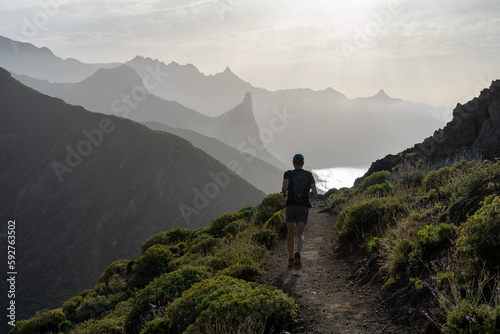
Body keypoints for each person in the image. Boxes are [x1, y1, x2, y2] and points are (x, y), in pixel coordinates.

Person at [282, 153, 317, 268]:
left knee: (290, 232)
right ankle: (298, 253)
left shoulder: (288, 174)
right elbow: (315, 192)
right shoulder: (308, 174)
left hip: (290, 206)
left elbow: (285, 187)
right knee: (300, 233)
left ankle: (291, 259)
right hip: (303, 207)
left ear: (293, 162)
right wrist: (309, 194)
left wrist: (284, 195)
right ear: (303, 163)